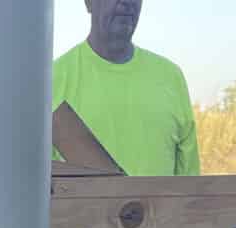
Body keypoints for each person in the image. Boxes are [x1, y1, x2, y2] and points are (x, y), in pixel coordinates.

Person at [52, 0, 200, 176]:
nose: (127, 2)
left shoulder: (171, 77)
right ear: (89, 3)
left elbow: (190, 189)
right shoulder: (51, 81)